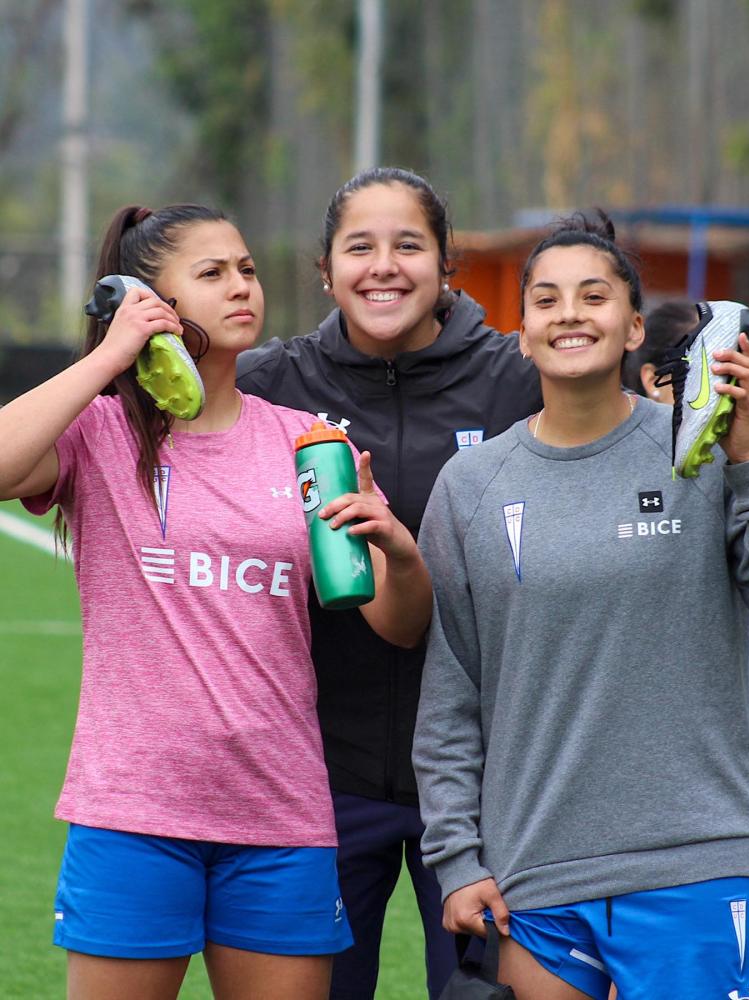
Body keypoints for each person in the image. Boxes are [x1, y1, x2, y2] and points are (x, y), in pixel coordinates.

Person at [0, 203, 431, 1000]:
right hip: (133, 813)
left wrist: (399, 551)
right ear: (148, 302)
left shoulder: (309, 442)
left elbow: (396, 624)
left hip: (280, 819)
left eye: (247, 269)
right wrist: (110, 357)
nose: (241, 287)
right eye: (211, 274)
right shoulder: (101, 433)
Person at [413, 211, 749, 1000]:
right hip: (536, 876)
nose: (570, 315)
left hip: (692, 862)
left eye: (594, 296)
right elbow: (451, 694)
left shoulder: (703, 452)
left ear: (631, 328)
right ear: (523, 335)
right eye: (548, 300)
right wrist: (458, 861)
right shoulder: (472, 486)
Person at [236, 166, 543, 999]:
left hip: (494, 788)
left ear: (448, 265)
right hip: (319, 782)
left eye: (408, 245)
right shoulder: (269, 387)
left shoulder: (520, 380)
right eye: (359, 247)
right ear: (325, 271)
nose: (384, 266)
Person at [624, 299, 749, 826]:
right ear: (653, 377)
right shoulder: (609, 464)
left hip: (730, 785)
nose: (726, 382)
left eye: (738, 366)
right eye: (705, 365)